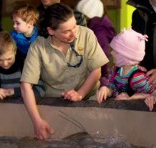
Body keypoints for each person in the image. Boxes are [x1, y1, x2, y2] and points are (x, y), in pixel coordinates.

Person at [20, 3, 109, 140]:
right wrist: (37, 121)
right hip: (56, 103)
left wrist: (80, 94)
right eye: (66, 31)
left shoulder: (87, 35)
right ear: (50, 31)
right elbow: (26, 86)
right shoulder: (38, 46)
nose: (74, 33)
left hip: (89, 99)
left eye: (74, 26)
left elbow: (96, 71)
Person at [96, 28, 154, 103]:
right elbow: (113, 89)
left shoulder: (138, 78)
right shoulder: (115, 69)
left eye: (116, 52)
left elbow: (152, 96)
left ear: (127, 57)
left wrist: (130, 98)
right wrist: (106, 90)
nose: (112, 53)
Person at [76, 0, 116, 91]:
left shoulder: (99, 32)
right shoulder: (95, 27)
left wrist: (103, 83)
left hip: (99, 80)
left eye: (82, 16)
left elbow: (103, 61)